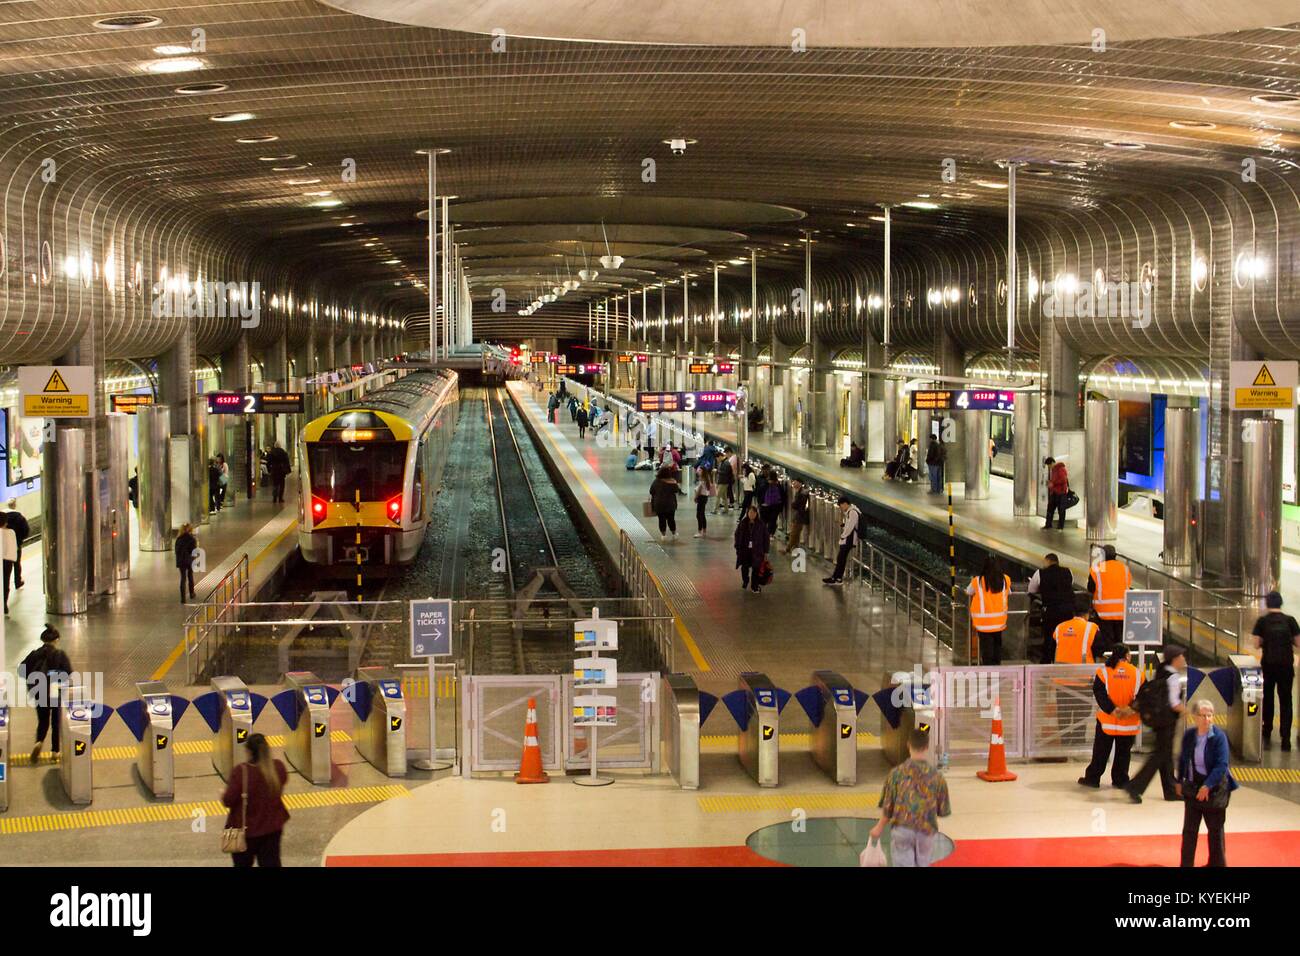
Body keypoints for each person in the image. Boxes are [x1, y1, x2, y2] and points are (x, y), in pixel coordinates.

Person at [870, 729, 951, 867]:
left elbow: (888, 807)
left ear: (908, 745)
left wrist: (879, 827)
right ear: (927, 747)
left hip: (902, 829)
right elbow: (943, 811)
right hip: (926, 830)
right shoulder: (937, 777)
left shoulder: (895, 774)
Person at [1176, 699, 1237, 867]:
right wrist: (1179, 780)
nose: (1207, 719)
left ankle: (1217, 864)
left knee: (1216, 832)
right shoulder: (1189, 735)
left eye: (1210, 715)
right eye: (1203, 715)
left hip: (1214, 789)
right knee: (1189, 832)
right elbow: (1182, 758)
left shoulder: (1219, 737)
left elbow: (1221, 765)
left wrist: (1207, 786)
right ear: (1195, 717)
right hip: (1193, 787)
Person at [1127, 645, 1187, 804]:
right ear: (1175, 659)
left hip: (1159, 720)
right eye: (1182, 656)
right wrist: (1188, 711)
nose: (1184, 659)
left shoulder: (1162, 671)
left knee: (1165, 756)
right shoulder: (1173, 677)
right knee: (1159, 755)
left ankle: (1170, 790)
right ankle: (1135, 786)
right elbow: (1174, 703)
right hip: (1167, 721)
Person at [221, 733, 290, 868]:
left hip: (245, 832)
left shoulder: (241, 772)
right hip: (272, 829)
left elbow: (228, 800)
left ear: (248, 751)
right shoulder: (278, 767)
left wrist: (222, 794)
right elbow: (282, 782)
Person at [1078, 644, 1142, 790]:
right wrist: (1131, 709)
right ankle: (1120, 780)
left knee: (1101, 751)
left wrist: (1112, 710)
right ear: (1127, 656)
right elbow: (1144, 694)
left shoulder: (1103, 672)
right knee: (1123, 753)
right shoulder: (1138, 673)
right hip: (1128, 722)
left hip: (1107, 722)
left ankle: (1093, 779)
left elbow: (1099, 693)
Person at [1252, 591, 1300, 751]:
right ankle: (1286, 738)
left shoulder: (1262, 621)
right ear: (1281, 603)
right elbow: (1298, 643)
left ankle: (1267, 731)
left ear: (1267, 604)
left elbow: (1256, 644)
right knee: (1286, 700)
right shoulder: (1290, 621)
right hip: (1286, 666)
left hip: (1269, 665)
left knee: (1268, 698)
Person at [22, 626, 73, 762]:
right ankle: (55, 752)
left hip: (39, 692)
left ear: (43, 639)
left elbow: (22, 670)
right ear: (56, 640)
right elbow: (68, 672)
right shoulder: (59, 654)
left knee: (43, 720)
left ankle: (38, 742)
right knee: (55, 722)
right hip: (55, 691)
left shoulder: (34, 654)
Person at [1028, 552, 1075, 662]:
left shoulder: (1040, 573)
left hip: (1050, 611)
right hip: (1067, 611)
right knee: (1066, 637)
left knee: (1049, 638)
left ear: (1047, 561)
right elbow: (1070, 585)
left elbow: (1031, 590)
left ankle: (1047, 662)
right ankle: (1064, 659)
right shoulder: (1068, 571)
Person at [966, 554, 1011, 665]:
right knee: (997, 646)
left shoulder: (977, 581)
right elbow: (1009, 592)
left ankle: (988, 671)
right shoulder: (1005, 579)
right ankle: (997, 667)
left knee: (986, 649)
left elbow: (968, 591)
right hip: (999, 621)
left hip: (983, 622)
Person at [1088, 544, 1131, 656]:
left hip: (1104, 612)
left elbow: (1090, 588)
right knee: (1120, 640)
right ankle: (1121, 661)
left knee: (1107, 642)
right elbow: (1128, 585)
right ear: (1115, 555)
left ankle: (1109, 664)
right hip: (1122, 611)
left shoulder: (1097, 568)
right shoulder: (1124, 568)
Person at [823, 496, 861, 586]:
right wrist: (843, 526)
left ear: (845, 504)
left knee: (841, 559)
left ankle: (836, 578)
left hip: (849, 540)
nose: (841, 508)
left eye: (841, 506)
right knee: (841, 559)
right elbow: (849, 526)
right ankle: (836, 577)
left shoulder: (852, 513)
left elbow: (850, 528)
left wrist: (842, 536)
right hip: (848, 539)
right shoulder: (851, 511)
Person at [733, 504, 770, 593]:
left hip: (757, 551)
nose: (752, 514)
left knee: (756, 569)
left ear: (757, 514)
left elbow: (766, 538)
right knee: (744, 568)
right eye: (750, 512)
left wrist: (765, 552)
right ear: (747, 513)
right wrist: (737, 547)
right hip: (745, 550)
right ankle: (745, 580)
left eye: (754, 513)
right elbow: (737, 535)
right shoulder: (743, 523)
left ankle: (754, 586)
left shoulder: (761, 525)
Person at [649, 465, 679, 541]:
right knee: (671, 519)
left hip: (659, 504)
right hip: (670, 504)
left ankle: (663, 535)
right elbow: (676, 490)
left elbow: (651, 491)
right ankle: (674, 533)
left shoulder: (656, 481)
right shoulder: (672, 482)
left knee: (661, 520)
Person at [2, 501, 28, 589]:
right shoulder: (19, 517)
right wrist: (20, 540)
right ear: (14, 505)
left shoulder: (2, 516)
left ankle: (4, 587)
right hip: (16, 546)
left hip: (2, 549)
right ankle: (18, 581)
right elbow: (26, 530)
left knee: (5, 572)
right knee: (17, 564)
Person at [784, 479, 810, 555]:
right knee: (796, 534)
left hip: (800, 516)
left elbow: (796, 505)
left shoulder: (802, 494)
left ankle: (788, 549)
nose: (793, 484)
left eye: (795, 483)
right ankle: (795, 549)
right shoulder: (801, 492)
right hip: (798, 515)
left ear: (799, 483)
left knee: (794, 533)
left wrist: (793, 505)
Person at [1043, 457, 1070, 530]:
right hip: (1054, 492)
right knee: (1050, 509)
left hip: (1061, 493)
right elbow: (1055, 480)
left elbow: (1063, 480)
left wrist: (1053, 483)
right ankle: (1048, 525)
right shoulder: (1053, 470)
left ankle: (1060, 527)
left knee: (1061, 510)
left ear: (1052, 463)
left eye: (1049, 465)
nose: (1049, 467)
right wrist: (1050, 482)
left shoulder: (1061, 469)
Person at [176, 523, 199, 604]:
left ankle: (183, 599)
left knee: (183, 578)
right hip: (189, 561)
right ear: (190, 530)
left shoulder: (178, 539)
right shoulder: (192, 539)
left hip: (181, 561)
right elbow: (194, 552)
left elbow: (176, 551)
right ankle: (192, 593)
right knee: (190, 576)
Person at [758, 468, 784, 535]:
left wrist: (760, 504)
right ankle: (771, 534)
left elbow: (759, 494)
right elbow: (783, 496)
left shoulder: (764, 485)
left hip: (765, 506)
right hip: (775, 506)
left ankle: (763, 533)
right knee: (772, 520)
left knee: (763, 520)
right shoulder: (778, 486)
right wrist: (780, 507)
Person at [693, 466, 715, 538]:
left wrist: (696, 497)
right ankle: (704, 531)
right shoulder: (706, 478)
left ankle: (700, 531)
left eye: (700, 470)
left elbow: (699, 490)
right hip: (704, 497)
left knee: (699, 515)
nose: (698, 472)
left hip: (701, 497)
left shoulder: (703, 480)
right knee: (702, 514)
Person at [0, 514, 16, 615]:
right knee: (6, 583)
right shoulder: (11, 532)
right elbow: (13, 547)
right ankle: (4, 604)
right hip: (8, 561)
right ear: (5, 522)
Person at [715, 449, 735, 513]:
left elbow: (725, 473)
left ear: (720, 456)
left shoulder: (726, 463)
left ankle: (715, 510)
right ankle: (726, 509)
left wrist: (717, 471)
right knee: (724, 497)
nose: (717, 460)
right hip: (722, 481)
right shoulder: (723, 462)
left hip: (724, 482)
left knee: (718, 496)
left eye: (717, 459)